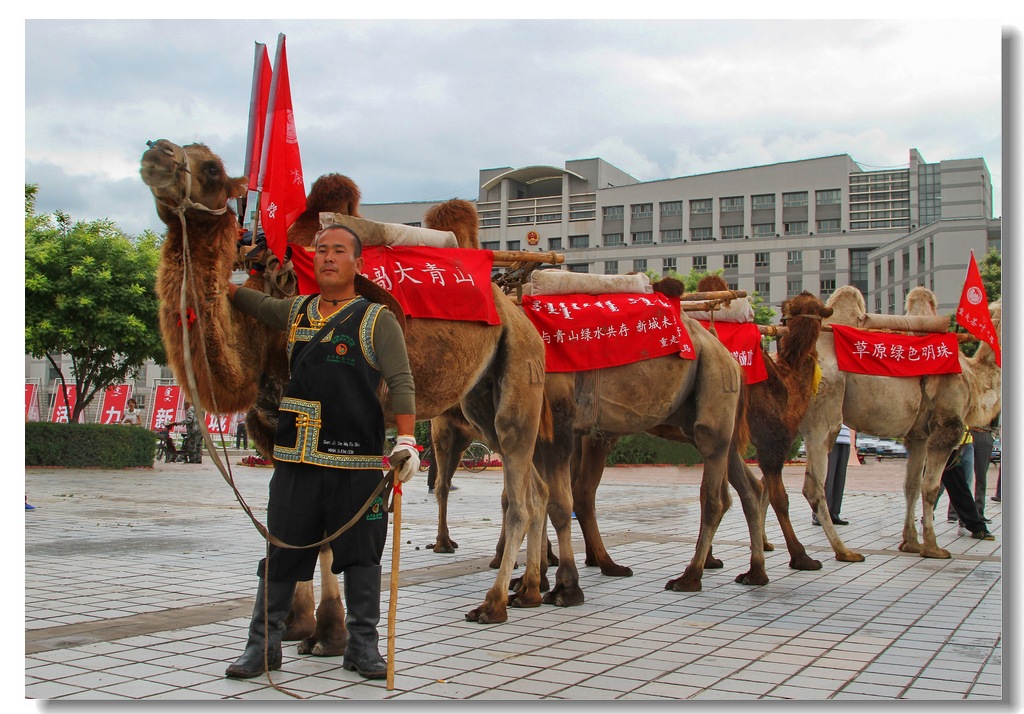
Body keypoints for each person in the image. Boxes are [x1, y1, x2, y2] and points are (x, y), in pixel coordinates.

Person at [223, 224, 418, 680]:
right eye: (322, 250)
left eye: (338, 251)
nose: (328, 257)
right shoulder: (296, 312)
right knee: (282, 552)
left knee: (363, 559)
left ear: (357, 264)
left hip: (358, 465)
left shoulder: (377, 319)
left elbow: (403, 381)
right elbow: (259, 304)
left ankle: (362, 648)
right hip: (296, 462)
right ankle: (263, 646)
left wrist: (407, 440)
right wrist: (221, 291)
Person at [941, 427, 994, 540]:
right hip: (945, 439)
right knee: (942, 486)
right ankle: (925, 520)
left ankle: (971, 525)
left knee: (961, 483)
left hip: (963, 440)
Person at [814, 424, 851, 526]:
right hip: (828, 438)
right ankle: (819, 515)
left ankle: (834, 514)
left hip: (845, 439)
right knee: (827, 479)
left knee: (839, 480)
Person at [969, 419, 998, 522]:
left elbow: (996, 417)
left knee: (981, 477)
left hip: (985, 434)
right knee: (962, 475)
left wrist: (992, 436)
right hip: (969, 433)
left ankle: (979, 512)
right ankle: (954, 513)